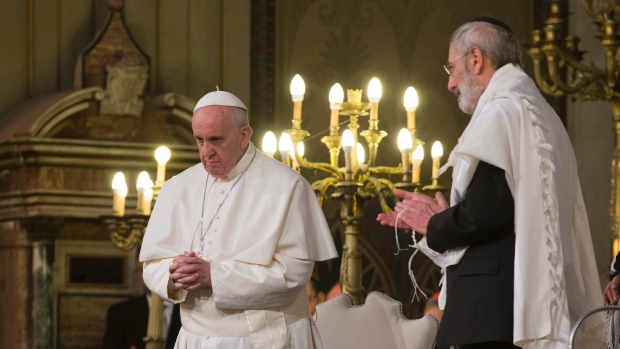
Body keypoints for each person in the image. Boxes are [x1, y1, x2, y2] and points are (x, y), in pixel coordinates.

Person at [377, 18, 603, 348]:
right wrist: (451, 215)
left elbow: (485, 211)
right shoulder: (540, 112)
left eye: (451, 68)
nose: (450, 84)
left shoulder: (503, 112)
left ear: (476, 58)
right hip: (510, 306)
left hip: (490, 317)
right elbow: (505, 207)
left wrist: (436, 223)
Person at [139, 89, 338, 348]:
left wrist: (215, 276)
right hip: (195, 339)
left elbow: (293, 273)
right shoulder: (178, 187)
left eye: (216, 140)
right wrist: (176, 276)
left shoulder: (287, 186)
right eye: (199, 140)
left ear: (244, 135)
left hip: (263, 338)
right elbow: (152, 263)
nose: (205, 152)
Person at [103, 261, 181, 349]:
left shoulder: (189, 310)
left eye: (158, 268)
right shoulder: (119, 313)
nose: (153, 275)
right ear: (138, 272)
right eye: (145, 269)